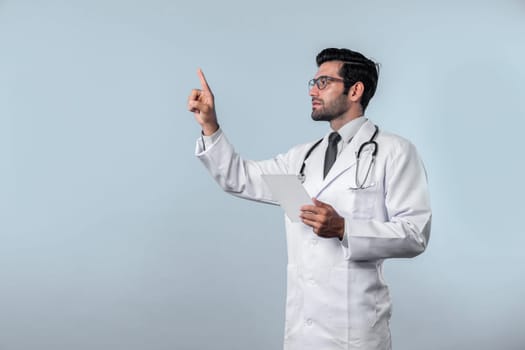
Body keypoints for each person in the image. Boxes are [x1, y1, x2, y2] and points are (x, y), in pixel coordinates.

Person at [187, 48, 431, 350]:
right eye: (312, 83)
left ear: (355, 90)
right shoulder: (302, 158)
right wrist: (210, 126)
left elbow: (414, 234)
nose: (312, 91)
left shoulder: (393, 152)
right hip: (303, 331)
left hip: (355, 332)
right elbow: (240, 178)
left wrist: (344, 229)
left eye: (324, 82)